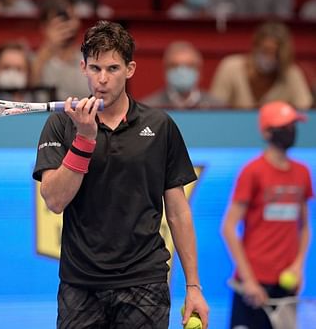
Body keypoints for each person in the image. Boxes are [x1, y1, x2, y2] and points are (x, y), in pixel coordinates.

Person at [32, 20, 209, 329]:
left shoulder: (161, 126)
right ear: (83, 68)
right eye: (95, 68)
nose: (102, 80)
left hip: (145, 283)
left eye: (112, 69)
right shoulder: (61, 126)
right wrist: (84, 140)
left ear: (130, 69)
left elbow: (179, 213)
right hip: (80, 285)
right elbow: (55, 200)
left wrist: (193, 287)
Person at [221, 101, 312, 329]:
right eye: (284, 126)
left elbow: (304, 226)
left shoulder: (302, 172)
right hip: (252, 287)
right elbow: (229, 227)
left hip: (286, 285)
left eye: (293, 125)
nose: (290, 131)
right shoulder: (252, 172)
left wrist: (298, 266)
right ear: (266, 132)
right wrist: (250, 280)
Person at [210, 21, 313, 110]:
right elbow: (214, 109)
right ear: (255, 46)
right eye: (266, 51)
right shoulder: (231, 67)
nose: (270, 58)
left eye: (276, 54)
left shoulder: (290, 73)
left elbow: (305, 109)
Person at [30, 0, 90, 101]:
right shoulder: (33, 61)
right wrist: (50, 47)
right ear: (44, 27)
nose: (63, 25)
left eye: (68, 18)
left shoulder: (90, 60)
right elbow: (28, 94)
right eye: (57, 20)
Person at [142, 41, 224, 109]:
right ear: (165, 72)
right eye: (174, 66)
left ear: (200, 72)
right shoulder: (149, 108)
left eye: (189, 66)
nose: (182, 71)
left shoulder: (218, 108)